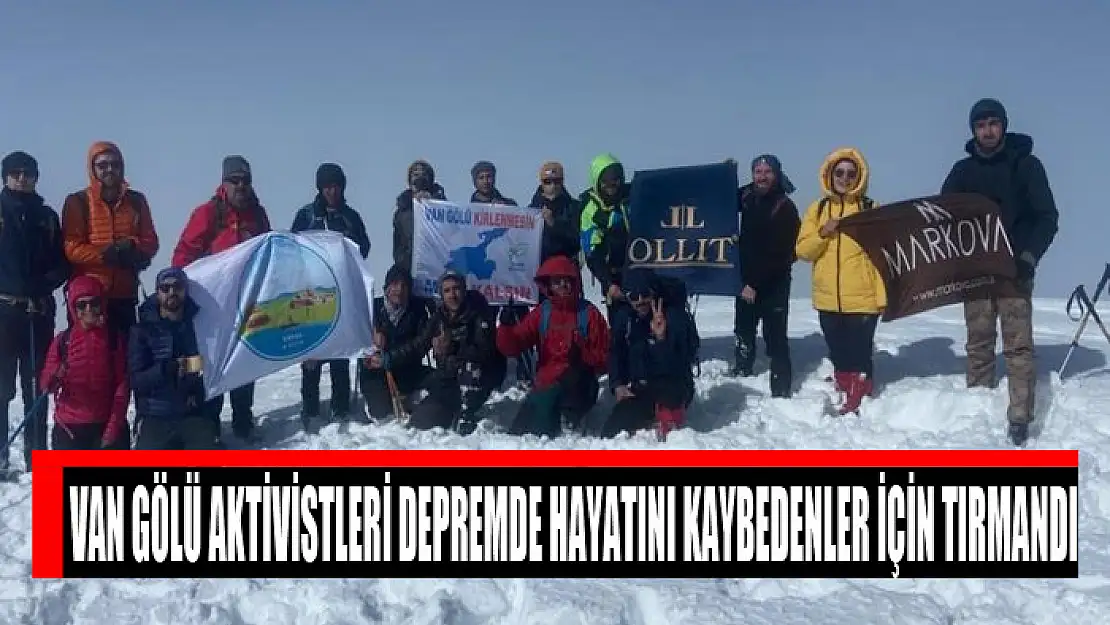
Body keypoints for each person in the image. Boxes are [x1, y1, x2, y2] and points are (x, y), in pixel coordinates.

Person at [941, 98, 1059, 446]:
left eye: (993, 123)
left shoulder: (1026, 165)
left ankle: (1020, 418)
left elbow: (1047, 218)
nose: (988, 130)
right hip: (976, 271)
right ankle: (978, 407)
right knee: (978, 342)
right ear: (973, 130)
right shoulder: (962, 172)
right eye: (980, 124)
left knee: (1018, 346)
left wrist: (1028, 257)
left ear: (1003, 126)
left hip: (1014, 270)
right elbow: (942, 216)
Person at [172, 155, 272, 440]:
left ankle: (243, 419)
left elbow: (268, 252)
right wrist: (187, 291)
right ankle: (210, 424)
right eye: (235, 180)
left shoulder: (258, 215)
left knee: (245, 360)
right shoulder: (207, 214)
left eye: (246, 181)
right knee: (211, 363)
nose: (241, 186)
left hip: (247, 302)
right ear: (224, 182)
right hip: (212, 305)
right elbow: (182, 256)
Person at [795, 147, 886, 415]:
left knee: (860, 353)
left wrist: (882, 298)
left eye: (850, 173)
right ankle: (845, 384)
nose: (844, 178)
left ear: (859, 176)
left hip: (863, 297)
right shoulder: (818, 209)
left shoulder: (870, 209)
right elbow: (803, 251)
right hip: (828, 298)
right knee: (838, 350)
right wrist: (823, 233)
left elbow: (883, 258)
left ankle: (860, 393)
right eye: (839, 172)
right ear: (829, 175)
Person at [0, 151, 69, 474]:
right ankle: (0, 455)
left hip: (38, 311)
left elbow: (63, 262)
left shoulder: (47, 217)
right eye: (15, 173)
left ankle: (36, 455)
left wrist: (43, 284)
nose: (22, 178)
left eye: (28, 173)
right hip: (4, 309)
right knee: (1, 388)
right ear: (5, 177)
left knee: (37, 386)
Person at [291, 162, 371, 425]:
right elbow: (292, 249)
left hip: (342, 293)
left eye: (336, 185)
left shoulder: (351, 216)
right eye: (327, 186)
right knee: (312, 353)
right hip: (311, 294)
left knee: (339, 352)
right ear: (320, 188)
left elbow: (364, 248)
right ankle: (310, 408)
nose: (332, 191)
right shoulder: (306, 215)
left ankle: (340, 406)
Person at [495, 255, 609, 437]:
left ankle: (565, 424)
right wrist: (506, 328)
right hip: (545, 384)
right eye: (557, 281)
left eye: (567, 281)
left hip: (579, 386)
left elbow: (605, 357)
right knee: (518, 430)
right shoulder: (543, 313)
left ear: (575, 283)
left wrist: (583, 356)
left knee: (539, 430)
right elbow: (513, 346)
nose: (563, 285)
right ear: (549, 285)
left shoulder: (589, 314)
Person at [61, 141, 159, 334]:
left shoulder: (137, 201)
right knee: (89, 356)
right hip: (89, 297)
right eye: (102, 165)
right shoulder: (78, 202)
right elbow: (71, 247)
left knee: (124, 356)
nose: (109, 170)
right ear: (92, 168)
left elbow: (151, 242)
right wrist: (105, 254)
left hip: (125, 294)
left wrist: (133, 247)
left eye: (115, 164)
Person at [731, 154, 802, 398]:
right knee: (743, 330)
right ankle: (742, 370)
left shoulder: (785, 208)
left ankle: (781, 388)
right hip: (745, 280)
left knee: (775, 337)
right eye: (758, 171)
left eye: (767, 172)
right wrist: (725, 173)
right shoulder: (747, 196)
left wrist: (754, 284)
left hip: (774, 282)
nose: (762, 176)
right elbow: (718, 201)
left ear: (777, 175)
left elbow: (780, 255)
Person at [604, 269, 698, 441]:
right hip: (641, 388)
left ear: (653, 292)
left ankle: (669, 416)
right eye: (633, 296)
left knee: (672, 434)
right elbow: (616, 352)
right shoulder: (625, 318)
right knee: (612, 431)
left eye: (644, 294)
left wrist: (661, 338)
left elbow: (680, 362)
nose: (639, 301)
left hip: (673, 386)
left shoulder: (675, 317)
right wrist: (618, 384)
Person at [406, 270, 504, 434]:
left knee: (471, 369)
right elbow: (418, 345)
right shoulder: (439, 317)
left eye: (456, 288)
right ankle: (448, 410)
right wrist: (387, 357)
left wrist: (452, 347)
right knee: (421, 421)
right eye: (447, 290)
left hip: (478, 379)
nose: (452, 295)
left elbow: (484, 351)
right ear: (441, 295)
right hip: (449, 378)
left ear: (464, 290)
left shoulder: (479, 312)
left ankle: (467, 413)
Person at [38, 276, 129, 450]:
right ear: (73, 308)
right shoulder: (62, 341)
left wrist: (112, 428)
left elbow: (122, 387)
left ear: (101, 305)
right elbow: (46, 387)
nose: (88, 309)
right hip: (69, 427)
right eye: (81, 305)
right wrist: (55, 375)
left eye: (94, 303)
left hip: (104, 423)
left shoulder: (114, 339)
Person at [128, 267, 214, 450]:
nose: (172, 292)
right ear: (157, 292)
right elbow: (135, 380)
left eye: (178, 287)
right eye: (165, 288)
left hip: (190, 412)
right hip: (154, 414)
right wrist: (165, 369)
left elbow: (208, 365)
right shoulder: (142, 330)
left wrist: (193, 385)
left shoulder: (198, 324)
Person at [360, 264, 434, 420]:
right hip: (376, 374)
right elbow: (357, 342)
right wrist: (370, 346)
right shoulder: (371, 308)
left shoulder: (418, 310)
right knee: (383, 414)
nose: (399, 290)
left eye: (404, 285)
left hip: (409, 369)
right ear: (386, 287)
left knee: (440, 381)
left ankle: (410, 397)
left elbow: (421, 344)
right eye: (394, 284)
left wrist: (392, 357)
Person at [579, 153, 631, 322]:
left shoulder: (634, 198)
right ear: (597, 181)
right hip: (613, 276)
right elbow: (592, 253)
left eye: (615, 178)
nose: (611, 184)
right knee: (620, 328)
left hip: (642, 271)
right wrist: (608, 284)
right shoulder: (591, 211)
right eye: (605, 180)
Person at [392, 160, 447, 273]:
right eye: (415, 175)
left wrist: (432, 202)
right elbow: (398, 244)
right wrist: (403, 263)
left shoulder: (443, 207)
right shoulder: (402, 211)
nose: (419, 178)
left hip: (436, 266)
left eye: (424, 175)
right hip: (409, 268)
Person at [528, 161, 582, 267]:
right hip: (540, 268)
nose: (552, 186)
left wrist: (554, 224)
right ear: (541, 183)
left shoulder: (575, 207)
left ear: (562, 182)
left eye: (557, 181)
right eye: (548, 181)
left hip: (566, 266)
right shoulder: (531, 211)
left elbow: (577, 241)